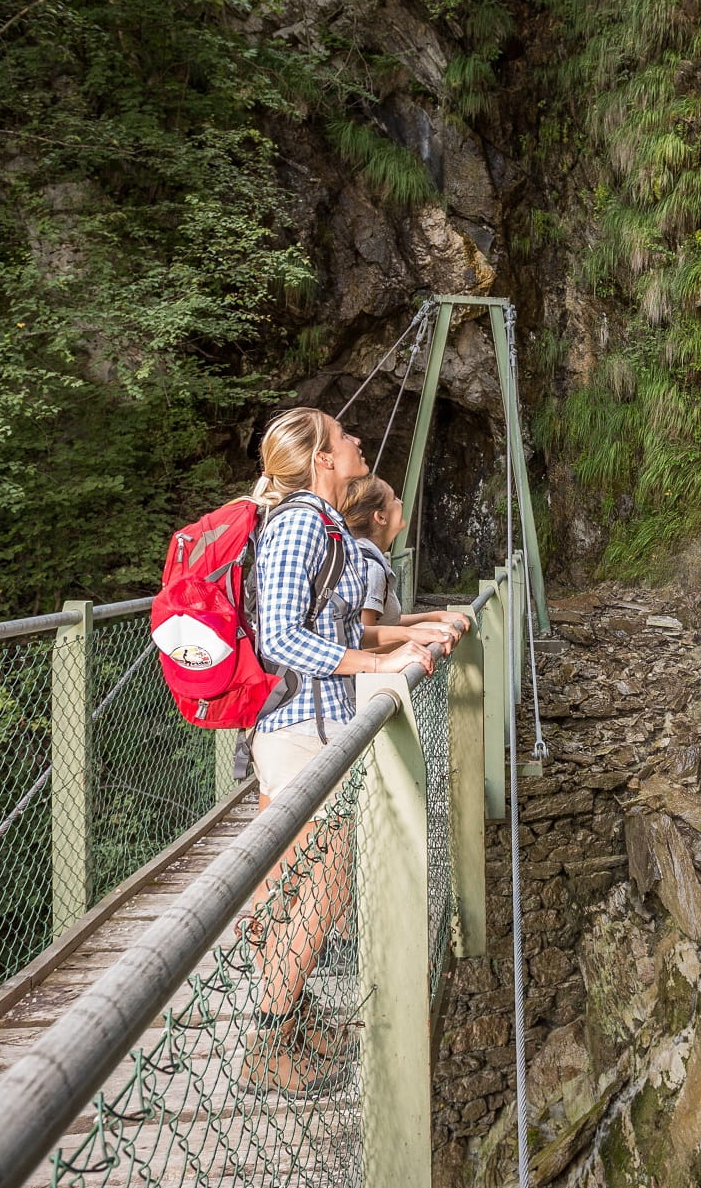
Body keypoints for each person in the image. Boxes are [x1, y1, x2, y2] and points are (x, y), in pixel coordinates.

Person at [240, 407, 454, 1097]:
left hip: (318, 725)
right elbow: (278, 637)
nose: (359, 439)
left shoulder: (323, 522)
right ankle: (269, 1040)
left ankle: (291, 1019)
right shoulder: (302, 519)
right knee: (326, 878)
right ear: (322, 460)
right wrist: (366, 659)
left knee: (306, 882)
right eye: (344, 436)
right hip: (297, 726)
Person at [339, 474, 471, 650]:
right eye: (393, 498)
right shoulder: (370, 568)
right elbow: (362, 646)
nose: (401, 501)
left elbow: (387, 624)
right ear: (381, 517)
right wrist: (417, 634)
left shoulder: (358, 556)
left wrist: (436, 617)